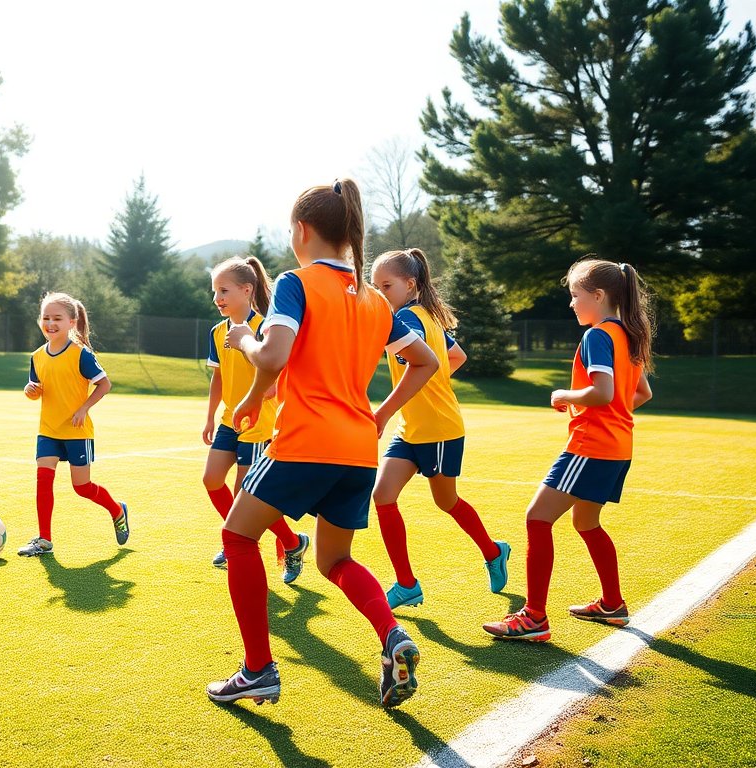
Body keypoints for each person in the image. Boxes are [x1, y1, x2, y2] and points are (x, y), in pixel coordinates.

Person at [205, 180, 439, 709]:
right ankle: (392, 635)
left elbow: (274, 353)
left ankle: (258, 669)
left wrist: (240, 333)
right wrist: (378, 414)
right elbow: (424, 361)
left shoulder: (296, 282)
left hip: (304, 440)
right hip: (358, 448)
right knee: (335, 560)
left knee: (238, 538)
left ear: (302, 230)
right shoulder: (374, 299)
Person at [482, 258, 654, 642]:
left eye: (576, 296)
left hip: (591, 447)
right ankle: (612, 604)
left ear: (598, 296)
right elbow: (641, 393)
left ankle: (534, 618)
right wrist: (609, 414)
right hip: (618, 446)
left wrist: (565, 396)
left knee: (537, 518)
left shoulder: (598, 336)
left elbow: (604, 392)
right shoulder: (628, 334)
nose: (572, 304)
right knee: (586, 522)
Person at [369, 248, 510, 608]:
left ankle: (494, 551)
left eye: (386, 285)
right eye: (375, 286)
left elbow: (432, 362)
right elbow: (456, 356)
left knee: (446, 501)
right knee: (382, 496)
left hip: (440, 429)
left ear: (410, 284)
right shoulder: (419, 318)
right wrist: (431, 380)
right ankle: (406, 584)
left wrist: (384, 412)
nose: (379, 292)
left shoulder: (411, 320)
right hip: (411, 429)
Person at [202, 256, 309, 583]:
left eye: (224, 290)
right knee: (211, 480)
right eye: (214, 291)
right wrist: (209, 418)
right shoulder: (218, 331)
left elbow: (281, 371)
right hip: (228, 421)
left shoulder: (266, 327)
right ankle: (293, 542)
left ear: (247, 290)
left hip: (258, 423)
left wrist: (268, 389)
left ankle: (241, 544)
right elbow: (218, 377)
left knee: (245, 495)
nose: (217, 298)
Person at [17, 292, 129, 557]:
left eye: (57, 318)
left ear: (71, 322)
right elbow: (36, 388)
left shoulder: (81, 355)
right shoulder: (37, 356)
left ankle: (117, 510)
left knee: (82, 487)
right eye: (46, 317)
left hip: (77, 432)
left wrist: (84, 408)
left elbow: (104, 384)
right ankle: (44, 539)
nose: (50, 323)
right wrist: (30, 390)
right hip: (48, 430)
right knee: (43, 481)